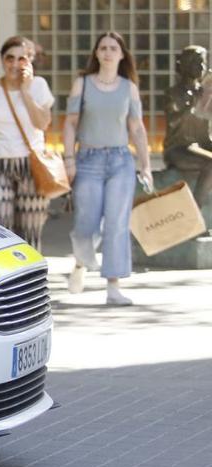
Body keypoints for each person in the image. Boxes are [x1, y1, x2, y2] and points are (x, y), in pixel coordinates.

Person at [64, 31, 152, 305]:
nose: (108, 52)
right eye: (103, 47)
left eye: (113, 48)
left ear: (122, 54)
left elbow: (137, 128)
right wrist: (68, 158)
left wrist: (145, 165)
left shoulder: (129, 87)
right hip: (88, 160)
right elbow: (70, 123)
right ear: (97, 53)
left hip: (120, 162)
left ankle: (113, 285)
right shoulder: (83, 84)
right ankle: (80, 263)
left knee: (116, 223)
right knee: (86, 224)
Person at [0, 36, 55, 250]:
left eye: (22, 59)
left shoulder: (39, 86)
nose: (15, 64)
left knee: (30, 231)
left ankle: (32, 281)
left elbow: (42, 123)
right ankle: (6, 281)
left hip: (32, 166)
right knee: (0, 227)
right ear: (2, 60)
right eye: (10, 58)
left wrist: (25, 92)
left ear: (31, 61)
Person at [163, 46, 212, 208]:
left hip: (200, 147)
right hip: (179, 148)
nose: (202, 67)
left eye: (203, 63)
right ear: (185, 65)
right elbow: (173, 122)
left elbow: (205, 132)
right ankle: (195, 214)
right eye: (197, 63)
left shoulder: (205, 93)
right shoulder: (174, 93)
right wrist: (191, 104)